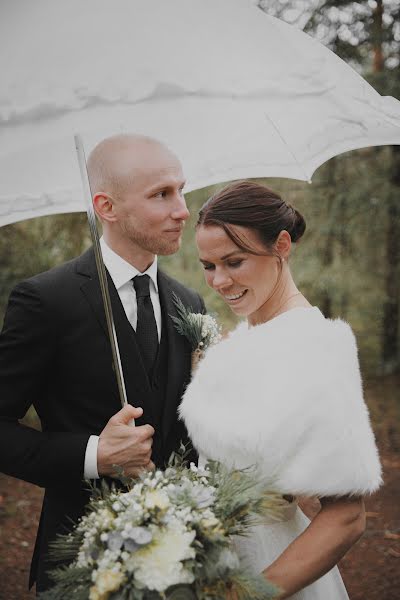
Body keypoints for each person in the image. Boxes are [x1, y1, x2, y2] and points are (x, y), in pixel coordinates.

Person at [0, 134, 205, 594]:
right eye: (161, 194)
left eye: (181, 189)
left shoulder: (188, 303)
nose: (183, 210)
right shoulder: (44, 301)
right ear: (106, 207)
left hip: (186, 560)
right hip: (81, 563)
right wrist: (94, 455)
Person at [179, 180, 382, 599]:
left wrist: (246, 593)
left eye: (234, 261)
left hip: (268, 572)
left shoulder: (312, 344)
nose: (218, 281)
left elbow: (346, 517)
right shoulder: (246, 337)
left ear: (282, 245)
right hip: (213, 562)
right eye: (208, 265)